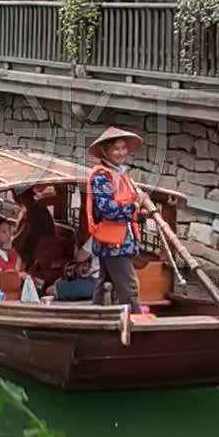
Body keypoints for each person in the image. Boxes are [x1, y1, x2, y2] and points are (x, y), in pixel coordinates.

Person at [84, 127, 157, 312]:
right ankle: (133, 319)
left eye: (123, 148)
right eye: (115, 149)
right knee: (129, 287)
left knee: (105, 282)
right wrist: (134, 207)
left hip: (121, 241)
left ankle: (97, 315)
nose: (121, 152)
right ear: (105, 152)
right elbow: (108, 210)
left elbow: (128, 207)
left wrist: (139, 212)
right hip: (113, 244)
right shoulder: (101, 177)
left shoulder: (123, 176)